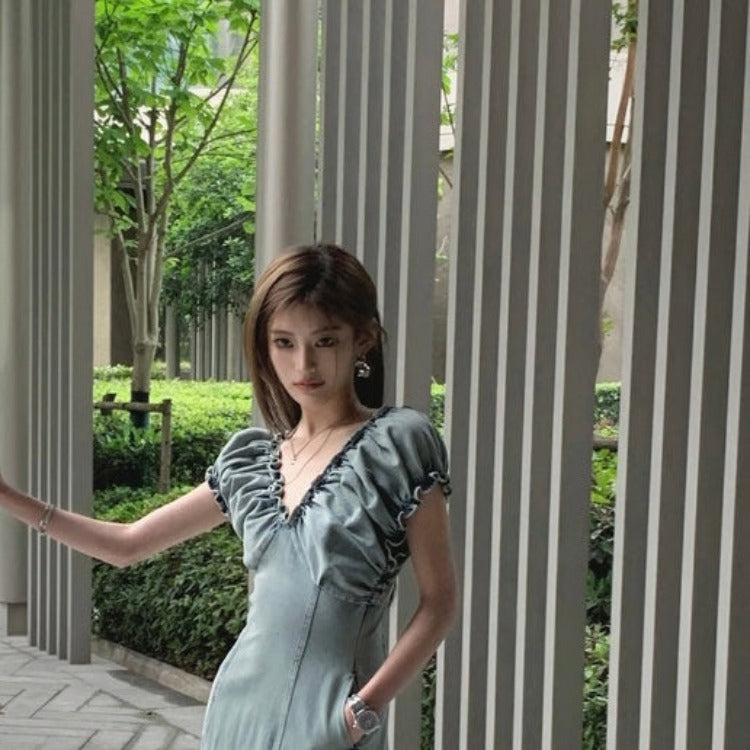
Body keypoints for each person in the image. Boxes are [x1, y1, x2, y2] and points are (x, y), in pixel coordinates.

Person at [0, 243, 458, 749]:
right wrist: (8, 497)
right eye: (283, 342)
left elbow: (439, 601)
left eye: (325, 340)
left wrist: (362, 711)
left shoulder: (397, 445)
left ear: (363, 339)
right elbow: (127, 544)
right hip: (239, 709)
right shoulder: (252, 464)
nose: (303, 363)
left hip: (332, 719)